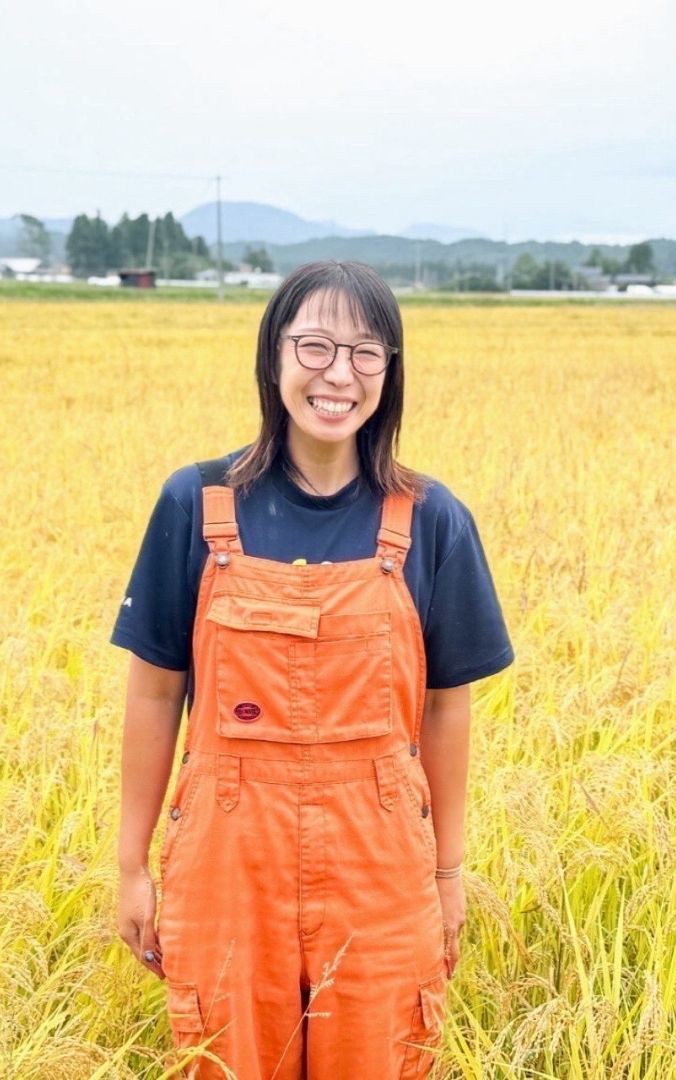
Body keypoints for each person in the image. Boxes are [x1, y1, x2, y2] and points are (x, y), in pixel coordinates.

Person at [111, 259, 515, 1078]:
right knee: (228, 1058)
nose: (340, 374)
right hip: (228, 855)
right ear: (274, 356)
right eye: (317, 346)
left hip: (382, 862)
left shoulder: (432, 519)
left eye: (367, 353)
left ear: (390, 372)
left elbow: (446, 708)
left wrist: (447, 874)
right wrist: (130, 867)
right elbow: (155, 694)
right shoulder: (197, 503)